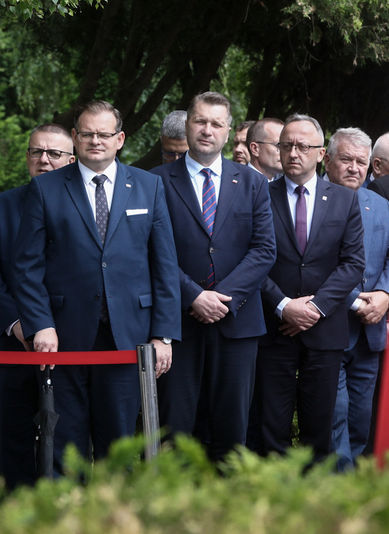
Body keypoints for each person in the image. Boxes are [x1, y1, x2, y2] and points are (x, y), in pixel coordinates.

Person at [13, 101, 181, 475]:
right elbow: (27, 267)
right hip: (64, 337)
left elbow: (165, 266)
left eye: (104, 134)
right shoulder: (45, 189)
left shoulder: (149, 186)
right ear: (74, 137)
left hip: (128, 338)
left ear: (119, 139)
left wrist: (164, 334)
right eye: (86, 133)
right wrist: (41, 324)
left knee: (119, 447)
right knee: (65, 448)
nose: (95, 141)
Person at [150, 92, 276, 463]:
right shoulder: (154, 182)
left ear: (228, 132)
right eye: (200, 121)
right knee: (174, 434)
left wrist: (221, 297)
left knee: (232, 434)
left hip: (236, 323)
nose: (207, 130)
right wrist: (193, 296)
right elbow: (151, 252)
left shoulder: (252, 183)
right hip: (178, 324)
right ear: (187, 125)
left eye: (216, 124)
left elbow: (264, 250)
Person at [251, 114, 364, 464]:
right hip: (274, 328)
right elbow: (251, 259)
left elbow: (352, 264)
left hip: (325, 330)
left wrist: (313, 309)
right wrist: (284, 305)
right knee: (271, 428)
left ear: (320, 154)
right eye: (286, 145)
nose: (293, 153)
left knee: (321, 429)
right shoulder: (259, 195)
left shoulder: (345, 200)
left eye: (303, 146)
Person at [0, 124, 75, 490]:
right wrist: (20, 324)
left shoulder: (90, 205)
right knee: (14, 437)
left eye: (54, 154)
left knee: (67, 440)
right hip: (12, 343)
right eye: (36, 152)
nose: (44, 160)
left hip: (72, 344)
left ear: (72, 159)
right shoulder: (2, 206)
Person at [324, 128, 389, 471]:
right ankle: (340, 491)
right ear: (328, 160)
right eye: (346, 160)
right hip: (331, 329)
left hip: (370, 335)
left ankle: (351, 485)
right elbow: (315, 265)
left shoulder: (379, 203)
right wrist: (358, 302)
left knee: (360, 419)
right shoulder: (315, 202)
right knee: (335, 417)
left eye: (361, 162)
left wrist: (385, 294)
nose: (354, 168)